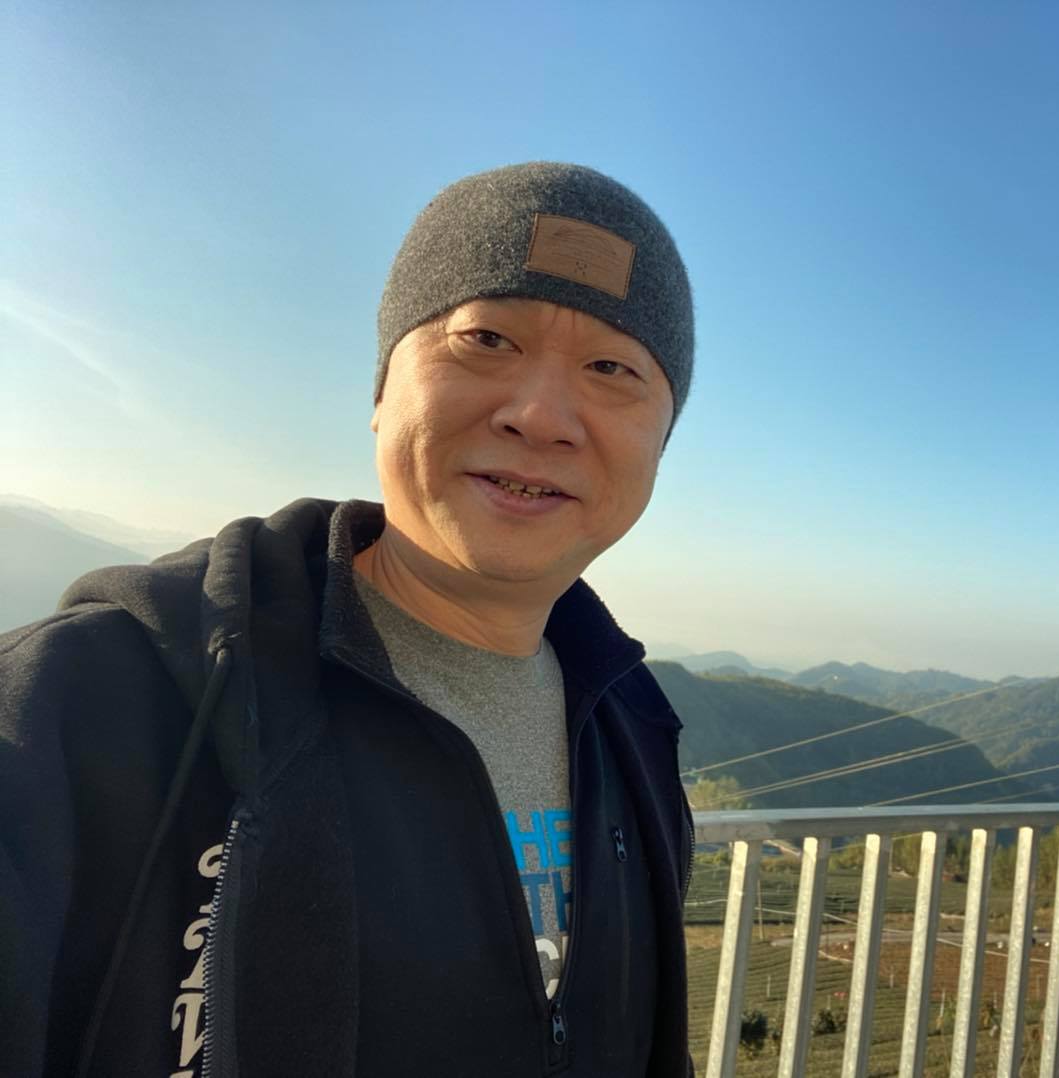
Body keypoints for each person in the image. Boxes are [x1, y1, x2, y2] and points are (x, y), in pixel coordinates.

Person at [0, 163, 697, 1077]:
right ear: (381, 393)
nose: (540, 416)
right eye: (485, 338)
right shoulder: (77, 706)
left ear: (661, 441)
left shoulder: (635, 728)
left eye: (612, 369)